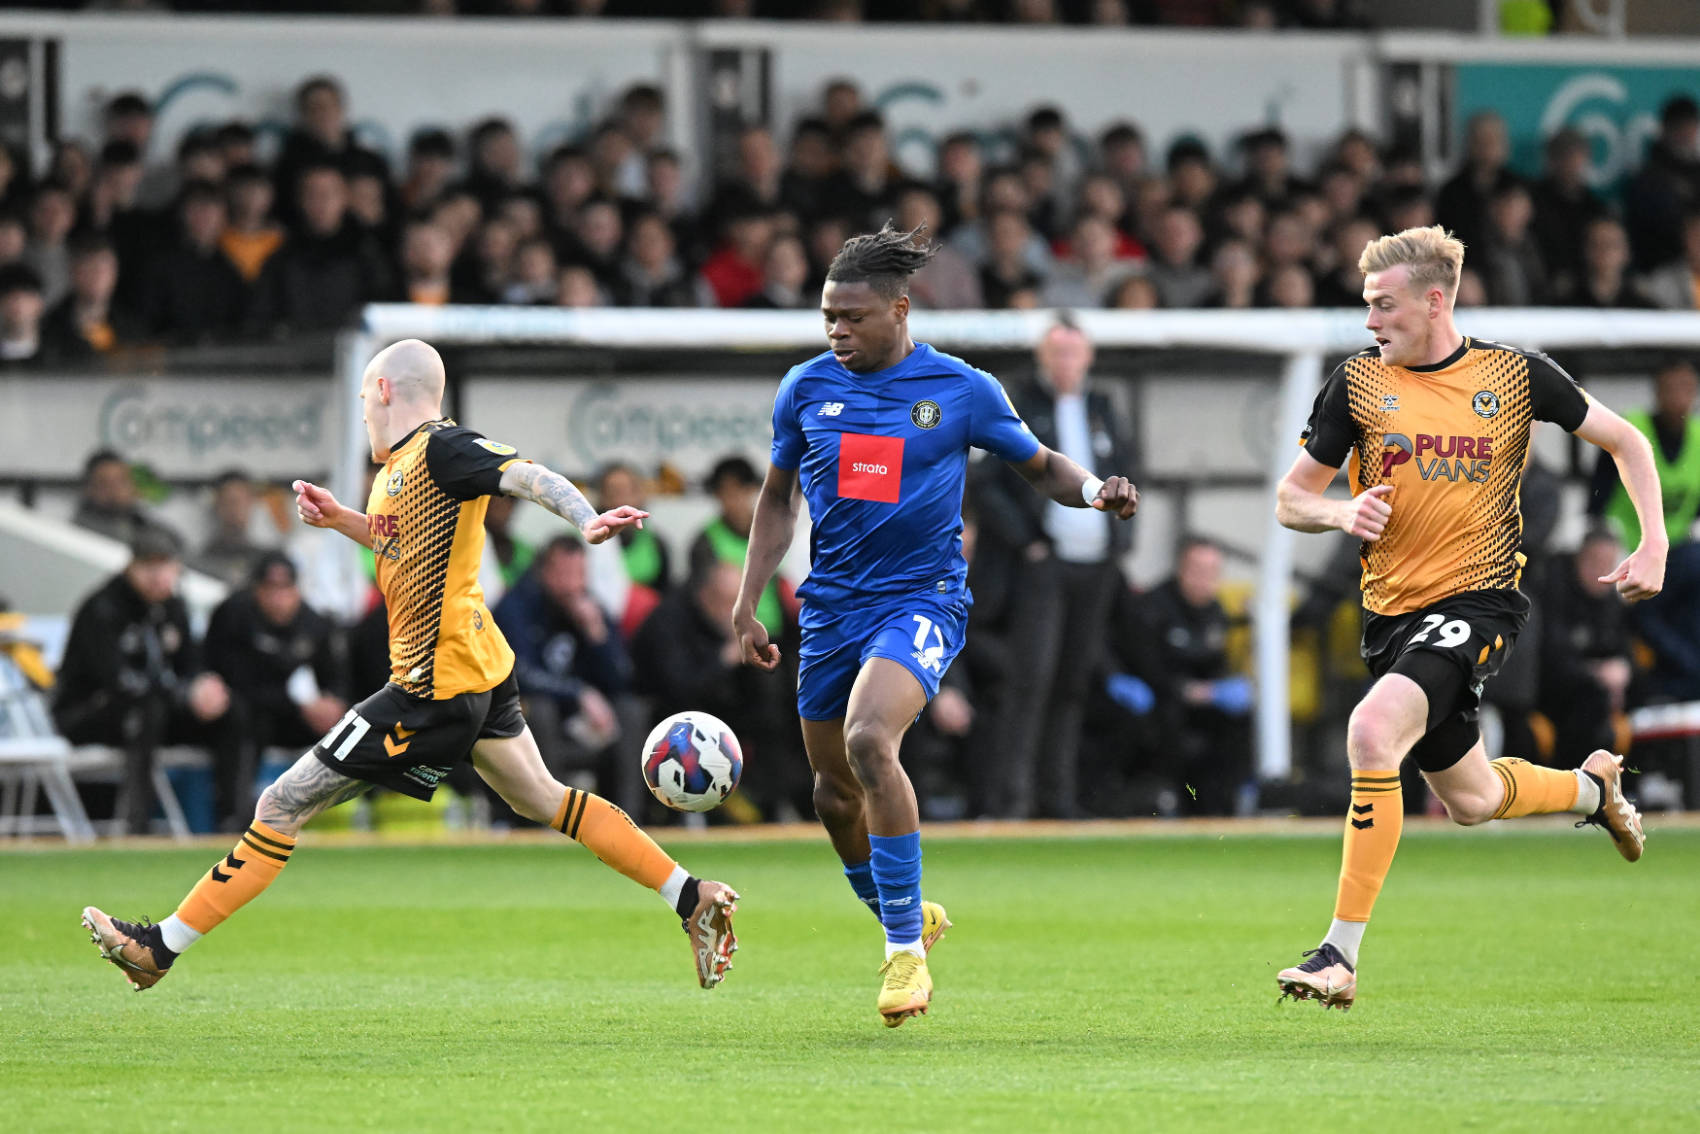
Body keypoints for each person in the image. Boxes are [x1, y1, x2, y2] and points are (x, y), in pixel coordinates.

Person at [82, 338, 739, 995]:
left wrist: (585, 517)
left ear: (386, 391)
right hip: (481, 667)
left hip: (434, 686)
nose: (364, 411)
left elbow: (526, 474)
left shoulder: (442, 447)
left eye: (365, 397)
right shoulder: (402, 469)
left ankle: (158, 948)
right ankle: (692, 896)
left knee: (281, 803)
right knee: (544, 797)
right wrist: (345, 521)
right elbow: (404, 540)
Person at [734, 223, 1138, 1026]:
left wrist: (1095, 491)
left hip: (921, 600)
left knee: (867, 741)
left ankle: (903, 959)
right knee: (833, 793)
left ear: (901, 310)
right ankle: (906, 913)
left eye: (852, 318)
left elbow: (1041, 465)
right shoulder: (806, 389)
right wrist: (750, 599)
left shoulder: (962, 390)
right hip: (831, 605)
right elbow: (778, 499)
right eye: (827, 319)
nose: (837, 332)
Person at [1271, 225, 1662, 1012]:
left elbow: (1627, 441)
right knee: (1472, 800)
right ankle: (1594, 790)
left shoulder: (1512, 376)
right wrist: (1339, 515)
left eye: (1383, 305)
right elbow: (1290, 498)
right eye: (1366, 306)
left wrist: (1652, 542)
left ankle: (1339, 954)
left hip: (1480, 602)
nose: (1371, 320)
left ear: (1434, 301)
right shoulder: (1355, 385)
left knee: (1372, 732)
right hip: (1392, 616)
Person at [972, 316, 1137, 818]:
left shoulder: (1103, 409)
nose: (1066, 364)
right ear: (1043, 359)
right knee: (1030, 681)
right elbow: (986, 481)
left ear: (1087, 358)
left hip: (1095, 566)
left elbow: (1130, 472)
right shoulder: (1021, 403)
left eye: (1074, 353)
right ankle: (1011, 802)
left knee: (1073, 682)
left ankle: (1058, 799)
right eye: (1057, 354)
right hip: (1044, 568)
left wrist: (1120, 540)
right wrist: (1028, 542)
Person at [54, 526, 238, 834]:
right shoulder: (102, 607)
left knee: (234, 712)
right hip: (90, 713)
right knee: (146, 709)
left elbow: (190, 664)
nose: (158, 576)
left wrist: (201, 688)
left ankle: (233, 820)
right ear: (131, 566)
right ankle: (135, 825)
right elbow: (119, 682)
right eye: (148, 566)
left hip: (157, 708)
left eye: (165, 566)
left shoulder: (173, 607)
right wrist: (181, 694)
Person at [203, 551, 349, 814]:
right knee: (242, 719)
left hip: (294, 715)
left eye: (285, 589)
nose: (278, 599)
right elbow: (236, 682)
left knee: (351, 725)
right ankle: (234, 816)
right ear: (256, 589)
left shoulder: (313, 623)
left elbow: (336, 677)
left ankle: (337, 813)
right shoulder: (234, 616)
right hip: (243, 714)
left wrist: (331, 704)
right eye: (270, 589)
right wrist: (300, 706)